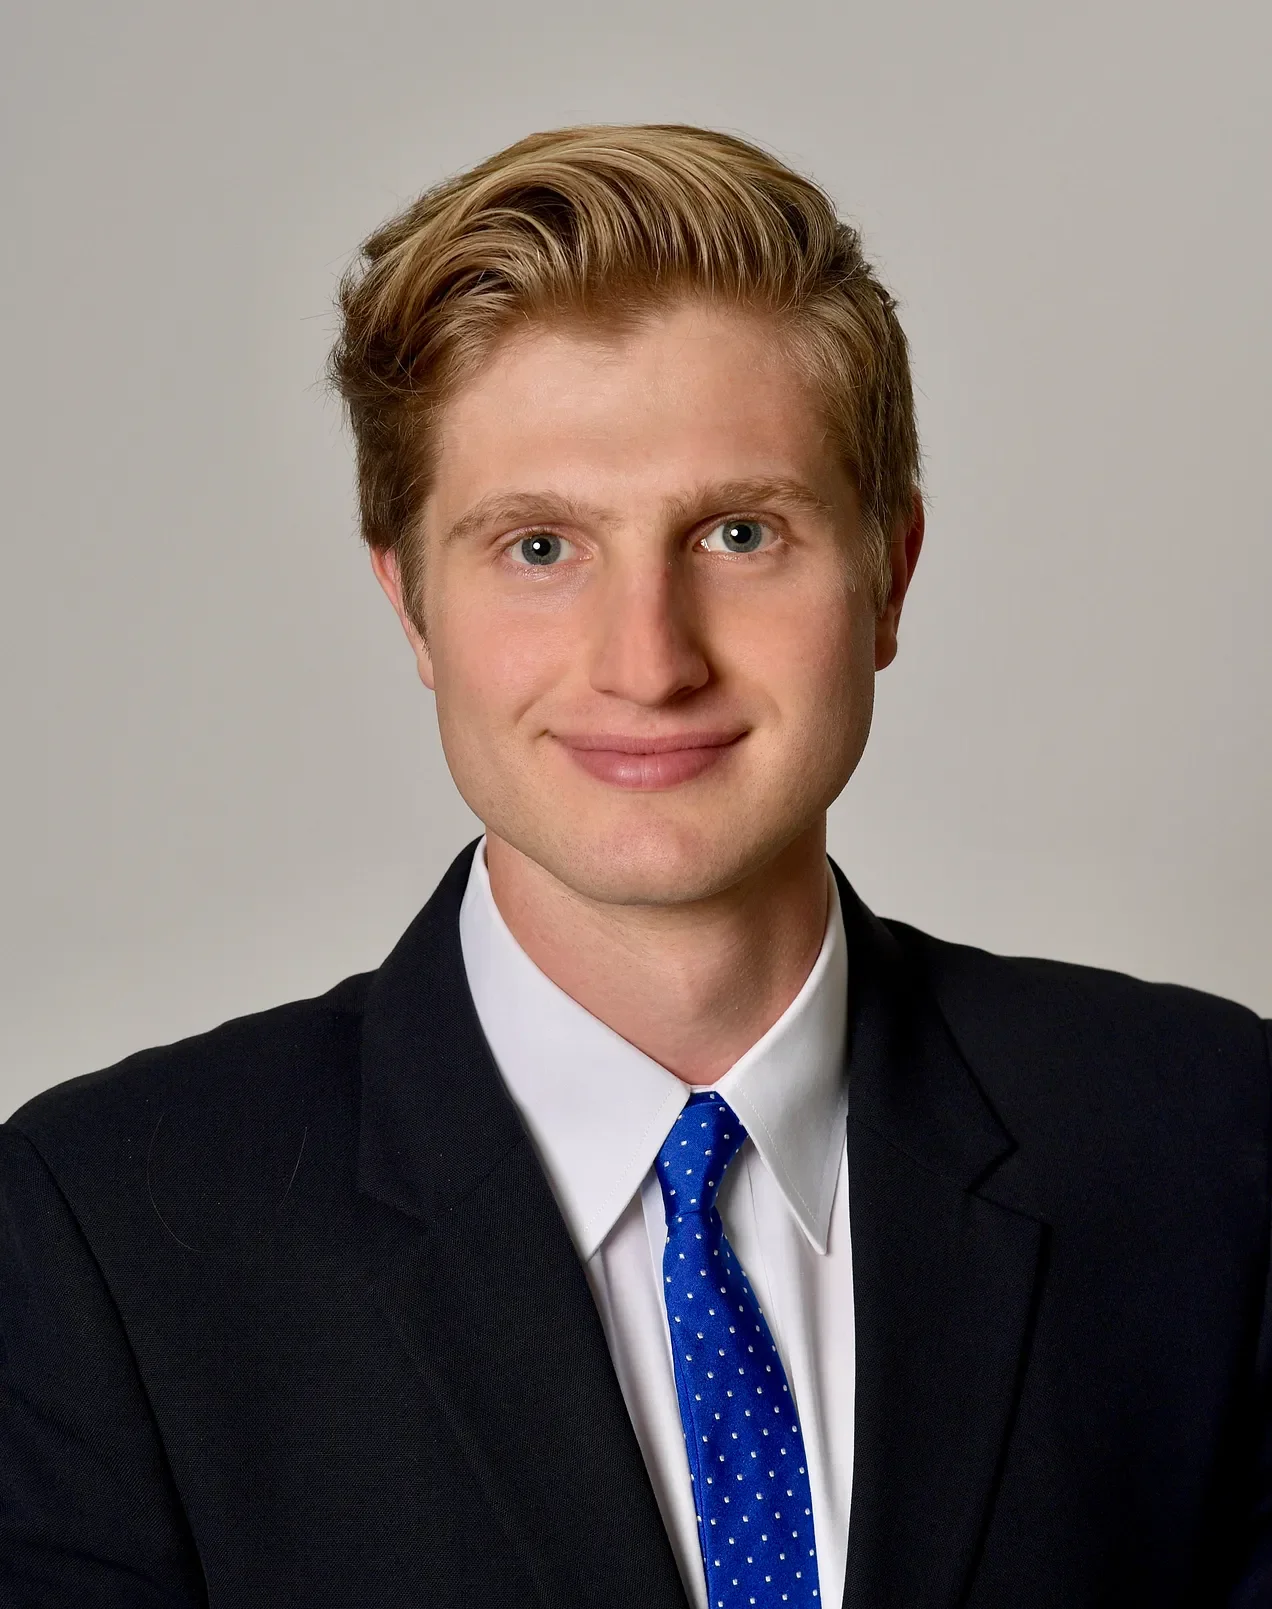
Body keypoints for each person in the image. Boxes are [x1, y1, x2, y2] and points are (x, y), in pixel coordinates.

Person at [0, 123, 1268, 1609]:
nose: (649, 662)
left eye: (738, 532)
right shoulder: (103, 1233)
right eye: (539, 548)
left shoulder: (1209, 1144)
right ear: (412, 610)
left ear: (890, 574)